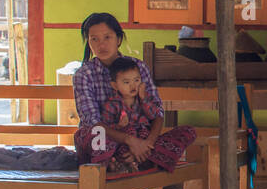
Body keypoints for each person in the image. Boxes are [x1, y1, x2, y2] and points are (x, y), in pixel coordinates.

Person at [72, 13, 193, 172]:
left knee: (188, 132)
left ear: (119, 39)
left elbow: (157, 112)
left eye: (107, 37)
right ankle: (120, 162)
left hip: (140, 137)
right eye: (94, 39)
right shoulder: (84, 75)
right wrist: (130, 142)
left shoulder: (138, 67)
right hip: (106, 139)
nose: (101, 45)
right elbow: (93, 123)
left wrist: (146, 144)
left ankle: (132, 159)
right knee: (97, 137)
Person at [92, 57, 196, 173]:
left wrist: (144, 100)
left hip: (148, 145)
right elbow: (105, 131)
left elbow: (154, 115)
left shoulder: (145, 99)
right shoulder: (111, 105)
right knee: (125, 134)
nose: (133, 86)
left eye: (136, 80)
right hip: (125, 146)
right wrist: (119, 127)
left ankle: (143, 161)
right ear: (115, 86)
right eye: (126, 82)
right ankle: (130, 163)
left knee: (188, 131)